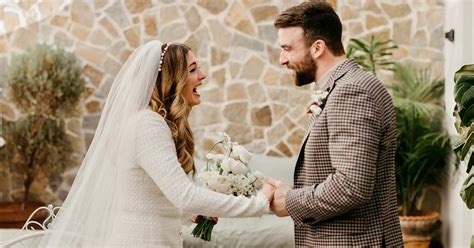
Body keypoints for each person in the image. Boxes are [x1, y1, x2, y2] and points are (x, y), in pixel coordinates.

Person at [39, 41, 273, 247]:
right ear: (172, 80)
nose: (202, 75)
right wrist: (259, 204)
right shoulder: (149, 125)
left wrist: (194, 214)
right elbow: (184, 195)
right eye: (193, 70)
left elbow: (147, 197)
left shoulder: (146, 122)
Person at [266, 2, 403, 247]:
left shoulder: (351, 92)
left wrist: (290, 200)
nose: (282, 60)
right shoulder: (343, 86)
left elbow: (351, 186)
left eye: (287, 48)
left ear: (318, 47)